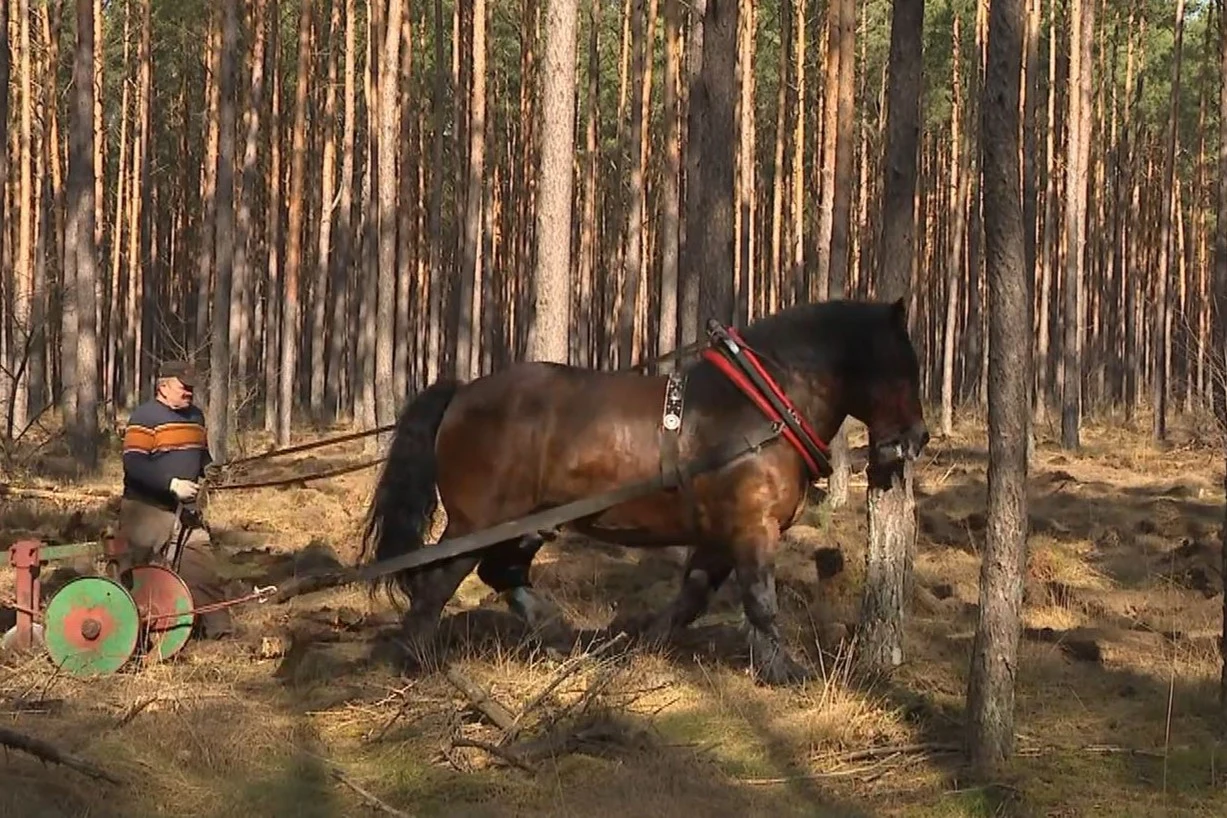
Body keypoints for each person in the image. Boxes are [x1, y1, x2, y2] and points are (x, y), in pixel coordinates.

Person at [118, 359, 235, 639]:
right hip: (146, 510)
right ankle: (125, 634)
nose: (189, 393)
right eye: (184, 387)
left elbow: (201, 455)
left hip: (187, 512)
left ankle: (220, 634)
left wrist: (209, 468)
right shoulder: (144, 418)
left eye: (192, 388)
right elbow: (134, 464)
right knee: (135, 576)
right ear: (163, 386)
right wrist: (171, 484)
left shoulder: (196, 417)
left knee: (203, 569)